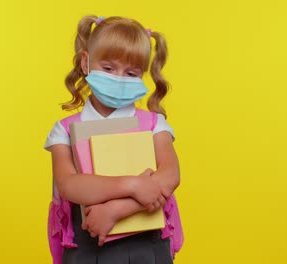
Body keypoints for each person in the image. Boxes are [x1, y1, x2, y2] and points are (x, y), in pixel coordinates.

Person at [44, 15, 183, 264]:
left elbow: (169, 176)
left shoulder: (154, 125)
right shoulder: (64, 130)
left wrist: (115, 211)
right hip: (87, 250)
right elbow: (69, 185)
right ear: (86, 62)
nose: (118, 79)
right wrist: (132, 185)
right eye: (108, 69)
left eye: (131, 73)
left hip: (147, 249)